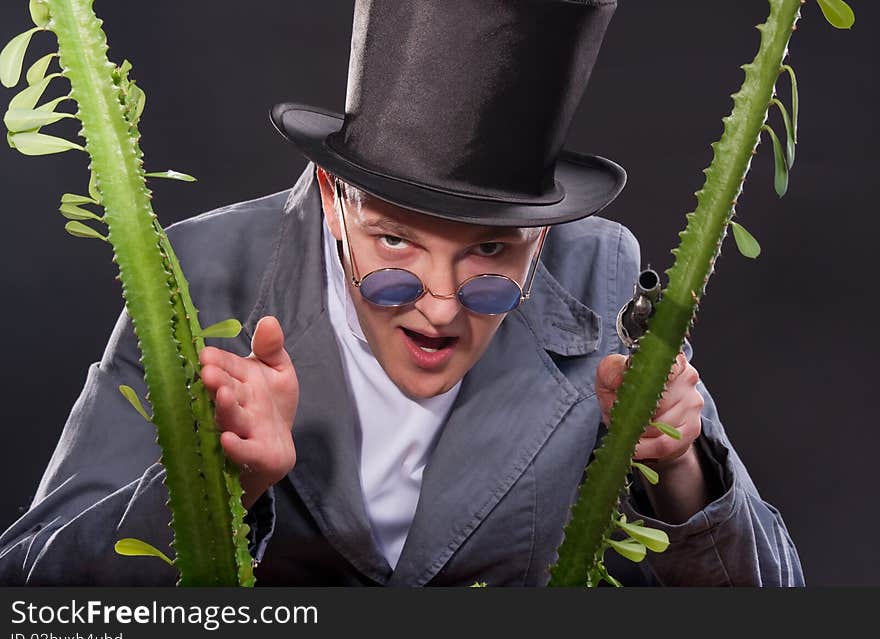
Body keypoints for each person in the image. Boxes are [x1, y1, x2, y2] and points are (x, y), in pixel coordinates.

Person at [0, 0, 803, 586]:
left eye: (491, 250)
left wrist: (680, 471)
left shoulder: (606, 278)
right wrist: (216, 486)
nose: (443, 305)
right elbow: (34, 593)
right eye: (395, 242)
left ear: (545, 235)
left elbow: (774, 599)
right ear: (330, 194)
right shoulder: (197, 272)